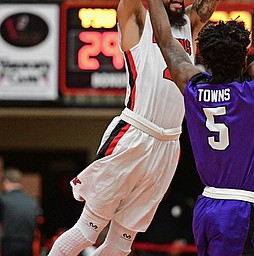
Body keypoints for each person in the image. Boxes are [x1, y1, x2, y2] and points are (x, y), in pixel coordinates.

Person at [48, 0, 219, 255]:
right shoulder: (139, 16)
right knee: (87, 231)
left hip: (169, 144)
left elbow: (208, 5)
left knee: (122, 242)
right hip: (135, 133)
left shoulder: (188, 23)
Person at [147, 0, 254, 255]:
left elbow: (165, 40)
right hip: (238, 210)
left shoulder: (192, 87)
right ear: (244, 57)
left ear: (204, 56)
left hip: (205, 207)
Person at [0, 168, 40, 256]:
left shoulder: (4, 200)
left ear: (6, 182)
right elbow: (37, 220)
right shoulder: (32, 201)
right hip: (28, 243)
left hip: (9, 242)